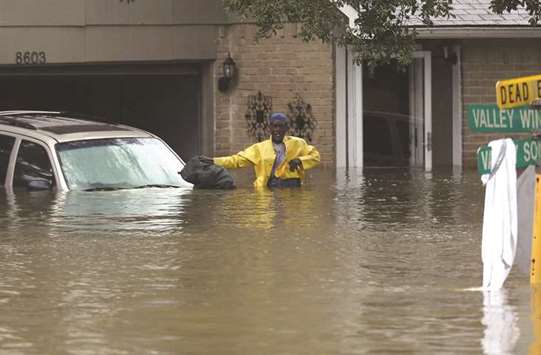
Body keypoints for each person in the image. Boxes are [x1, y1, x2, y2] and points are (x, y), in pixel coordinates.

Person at [204, 112, 320, 188]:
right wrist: (214, 161)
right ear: (269, 128)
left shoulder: (298, 143)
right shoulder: (259, 148)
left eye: (281, 126)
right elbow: (237, 160)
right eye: (274, 126)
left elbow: (315, 156)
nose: (277, 130)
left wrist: (299, 160)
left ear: (286, 128)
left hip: (293, 187)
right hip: (270, 187)